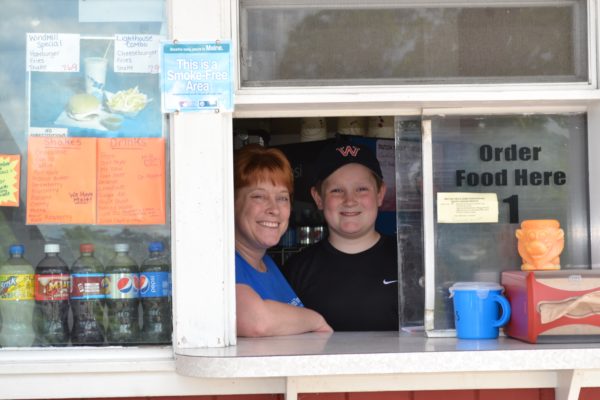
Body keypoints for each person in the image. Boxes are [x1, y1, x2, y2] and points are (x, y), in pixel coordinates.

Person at [282, 140, 399, 331]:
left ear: (380, 194)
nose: (350, 201)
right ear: (318, 198)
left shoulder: (408, 263)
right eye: (337, 190)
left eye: (361, 189)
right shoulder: (296, 271)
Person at [234, 144, 332, 337]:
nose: (274, 209)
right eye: (259, 196)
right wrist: (315, 320)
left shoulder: (266, 263)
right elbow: (256, 321)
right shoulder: (224, 263)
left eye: (282, 198)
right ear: (232, 203)